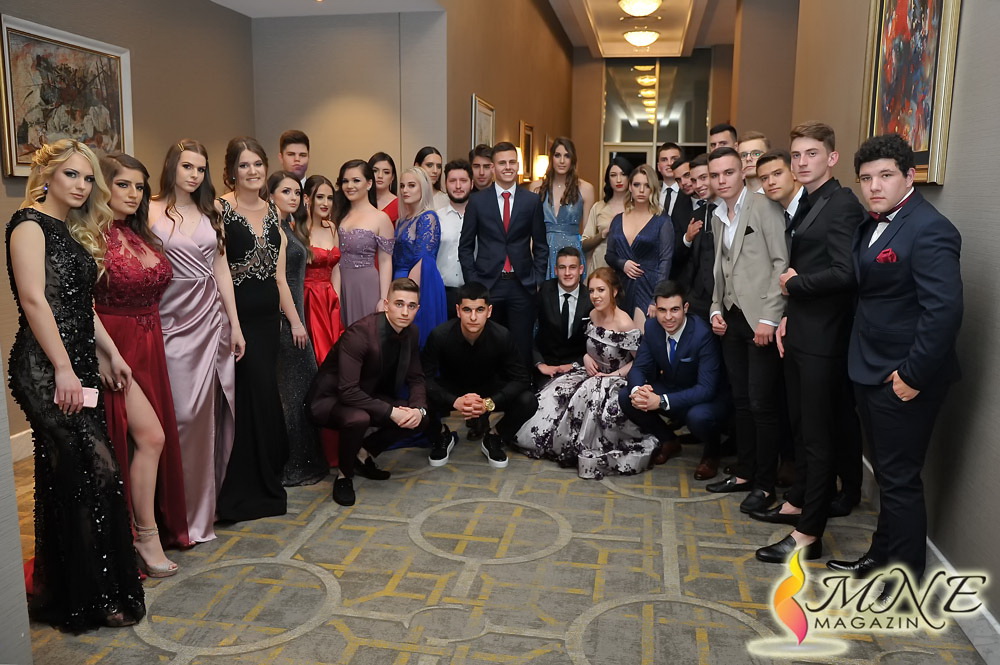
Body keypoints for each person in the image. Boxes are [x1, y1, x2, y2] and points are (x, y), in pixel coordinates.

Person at [7, 139, 145, 629]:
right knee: (94, 472)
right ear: (46, 176)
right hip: (45, 369)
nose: (83, 185)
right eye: (72, 174)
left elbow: (82, 306)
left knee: (74, 475)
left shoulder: (70, 231)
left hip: (79, 364)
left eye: (88, 178)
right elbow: (34, 300)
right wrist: (64, 368)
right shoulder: (28, 224)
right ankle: (93, 596)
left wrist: (111, 352)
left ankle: (76, 588)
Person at [826, 134, 962, 582]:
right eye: (866, 178)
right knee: (887, 475)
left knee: (900, 481)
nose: (874, 186)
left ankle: (905, 581)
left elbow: (943, 311)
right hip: (870, 367)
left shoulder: (930, 228)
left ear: (909, 176)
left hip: (904, 375)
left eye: (885, 175)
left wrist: (912, 375)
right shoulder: (873, 224)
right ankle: (880, 556)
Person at [753, 123, 866, 564]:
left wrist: (796, 285)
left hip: (825, 340)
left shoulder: (843, 204)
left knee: (818, 439)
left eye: (811, 153)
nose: (801, 162)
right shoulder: (809, 203)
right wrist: (787, 319)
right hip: (800, 332)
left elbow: (846, 273)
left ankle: (808, 534)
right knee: (801, 428)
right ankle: (799, 500)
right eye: (797, 154)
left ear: (832, 158)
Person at [96, 152, 189, 579]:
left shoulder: (138, 233)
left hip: (150, 342)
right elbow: (78, 301)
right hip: (115, 345)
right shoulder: (90, 235)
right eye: (123, 185)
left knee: (148, 439)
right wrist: (104, 353)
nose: (133, 194)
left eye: (139, 186)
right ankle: (142, 536)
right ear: (103, 185)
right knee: (150, 437)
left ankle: (149, 528)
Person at [150, 139, 238, 543]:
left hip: (210, 319)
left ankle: (204, 510)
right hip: (169, 318)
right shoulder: (149, 209)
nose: (194, 175)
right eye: (187, 166)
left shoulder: (211, 210)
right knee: (178, 417)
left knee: (205, 419)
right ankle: (172, 513)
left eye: (201, 169)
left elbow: (222, 268)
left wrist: (234, 324)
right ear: (172, 166)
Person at [704, 146, 788, 515]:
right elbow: (720, 268)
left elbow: (781, 263)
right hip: (731, 318)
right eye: (715, 175)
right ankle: (744, 472)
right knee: (740, 400)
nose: (721, 180)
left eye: (728, 173)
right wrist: (715, 308)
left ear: (742, 172)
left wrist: (770, 318)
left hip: (761, 320)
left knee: (762, 403)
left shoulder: (764, 207)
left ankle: (765, 485)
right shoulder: (716, 215)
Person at [214, 137, 289, 522]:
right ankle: (244, 491)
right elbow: (220, 269)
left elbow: (279, 275)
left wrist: (292, 319)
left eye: (257, 164)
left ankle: (266, 476)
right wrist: (234, 325)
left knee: (264, 395)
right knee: (249, 399)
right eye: (244, 165)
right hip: (238, 320)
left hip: (268, 320)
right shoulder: (220, 208)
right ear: (231, 171)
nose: (253, 171)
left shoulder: (273, 209)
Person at [517, 268, 655, 474]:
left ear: (614, 291)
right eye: (591, 291)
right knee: (553, 397)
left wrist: (612, 376)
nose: (595, 296)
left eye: (601, 290)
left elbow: (639, 363)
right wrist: (586, 357)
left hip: (615, 380)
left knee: (593, 409)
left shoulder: (625, 323)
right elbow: (590, 347)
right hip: (589, 375)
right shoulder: (592, 314)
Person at [306, 278, 428, 506]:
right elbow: (347, 391)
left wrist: (418, 410)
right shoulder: (360, 334)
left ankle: (362, 454)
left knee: (419, 418)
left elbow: (416, 378)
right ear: (386, 305)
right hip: (329, 400)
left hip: (367, 395)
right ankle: (344, 476)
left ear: (417, 308)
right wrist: (391, 411)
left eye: (411, 306)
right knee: (358, 418)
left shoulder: (411, 332)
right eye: (399, 304)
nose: (405, 312)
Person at [422, 282, 538, 469]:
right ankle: (441, 435)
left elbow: (521, 379)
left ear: (489, 311)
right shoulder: (439, 335)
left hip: (488, 390)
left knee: (528, 400)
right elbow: (423, 378)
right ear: (458, 311)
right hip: (453, 390)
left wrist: (488, 404)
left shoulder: (502, 336)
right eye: (467, 310)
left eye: (480, 310)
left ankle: (494, 436)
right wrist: (454, 401)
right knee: (417, 398)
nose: (473, 317)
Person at [620, 280, 729, 476]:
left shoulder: (702, 334)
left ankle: (712, 453)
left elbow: (706, 388)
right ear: (655, 309)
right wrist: (638, 391)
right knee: (626, 396)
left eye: (674, 310)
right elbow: (639, 367)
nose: (668, 317)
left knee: (698, 417)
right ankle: (669, 440)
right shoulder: (652, 327)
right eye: (662, 310)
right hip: (673, 387)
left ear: (685, 308)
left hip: (707, 399)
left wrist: (661, 401)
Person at [458, 141, 548, 366]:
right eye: (502, 163)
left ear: (517, 165)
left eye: (512, 162)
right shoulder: (477, 201)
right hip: (488, 284)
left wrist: (537, 279)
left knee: (521, 348)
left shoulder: (531, 201)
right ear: (493, 168)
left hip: (522, 285)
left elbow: (541, 245)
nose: (508, 167)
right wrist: (473, 282)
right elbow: (465, 246)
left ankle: (522, 387)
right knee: (486, 347)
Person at [267, 171, 328, 486]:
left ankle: (300, 460)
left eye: (296, 192)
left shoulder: (287, 225)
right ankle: (293, 464)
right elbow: (278, 281)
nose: (293, 197)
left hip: (295, 315)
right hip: (287, 320)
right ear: (270, 195)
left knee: (299, 387)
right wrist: (294, 322)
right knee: (293, 389)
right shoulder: (273, 229)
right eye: (285, 192)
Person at [605, 164, 673, 326]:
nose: (641, 190)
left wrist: (656, 298)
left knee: (642, 337)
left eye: (647, 185)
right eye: (637, 185)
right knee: (620, 336)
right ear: (630, 187)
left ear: (653, 189)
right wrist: (622, 264)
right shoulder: (618, 219)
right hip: (621, 286)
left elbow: (665, 262)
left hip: (648, 287)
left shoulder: (662, 221)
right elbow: (609, 255)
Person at [337, 159, 395, 326]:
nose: (350, 186)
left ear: (369, 184)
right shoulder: (338, 215)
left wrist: (384, 299)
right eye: (345, 181)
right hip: (339, 283)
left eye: (356, 180)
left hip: (366, 284)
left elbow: (385, 261)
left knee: (365, 333)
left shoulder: (380, 218)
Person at [394, 167, 446, 346]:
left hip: (419, 283)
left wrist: (409, 295)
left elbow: (423, 259)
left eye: (411, 185)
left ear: (423, 188)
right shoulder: (402, 220)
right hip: (399, 279)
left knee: (415, 336)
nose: (405, 190)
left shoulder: (428, 217)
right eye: (402, 186)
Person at [530, 137, 595, 278]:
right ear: (551, 158)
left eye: (567, 156)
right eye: (557, 155)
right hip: (542, 253)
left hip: (572, 254)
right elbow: (530, 230)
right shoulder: (536, 187)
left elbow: (588, 235)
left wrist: (589, 271)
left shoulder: (586, 189)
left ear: (573, 159)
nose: (562, 161)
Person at [532, 247, 593, 381]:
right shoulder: (544, 291)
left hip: (578, 367)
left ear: (581, 269)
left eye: (572, 267)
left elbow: (595, 342)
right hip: (546, 366)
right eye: (562, 267)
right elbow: (526, 328)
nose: (567, 273)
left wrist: (576, 364)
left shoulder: (590, 298)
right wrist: (539, 363)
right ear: (555, 270)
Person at [301, 174, 344, 365]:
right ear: (307, 198)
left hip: (330, 298)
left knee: (334, 350)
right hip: (309, 297)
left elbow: (336, 268)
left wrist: (337, 297)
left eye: (329, 198)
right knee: (319, 353)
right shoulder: (297, 229)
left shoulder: (331, 228)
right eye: (320, 197)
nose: (326, 203)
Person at [674, 154, 716, 322]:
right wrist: (688, 238)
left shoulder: (732, 210)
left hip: (726, 299)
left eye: (703, 178)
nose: (697, 185)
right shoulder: (696, 214)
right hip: (697, 298)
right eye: (694, 180)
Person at [581, 156, 630, 271]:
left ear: (629, 177)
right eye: (613, 175)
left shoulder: (636, 207)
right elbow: (583, 244)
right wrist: (602, 234)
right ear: (608, 179)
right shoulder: (599, 207)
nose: (618, 180)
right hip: (600, 265)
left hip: (627, 266)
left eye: (623, 174)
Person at [436, 159, 472, 315]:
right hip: (443, 292)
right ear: (445, 184)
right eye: (452, 181)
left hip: (473, 293)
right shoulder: (436, 218)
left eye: (463, 181)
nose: (458, 186)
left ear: (472, 183)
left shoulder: (484, 217)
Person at [655, 142, 693, 279]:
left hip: (685, 270)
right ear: (658, 166)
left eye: (674, 159)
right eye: (664, 160)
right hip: (654, 268)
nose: (669, 163)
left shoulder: (692, 193)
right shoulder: (651, 194)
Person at [414, 146, 449, 210]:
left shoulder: (446, 200)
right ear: (417, 166)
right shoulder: (408, 196)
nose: (435, 171)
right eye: (429, 165)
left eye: (439, 166)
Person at [369, 151, 399, 225]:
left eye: (386, 172)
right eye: (375, 171)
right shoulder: (360, 201)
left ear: (392, 177)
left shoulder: (399, 205)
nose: (380, 176)